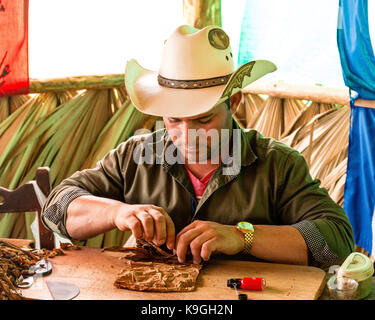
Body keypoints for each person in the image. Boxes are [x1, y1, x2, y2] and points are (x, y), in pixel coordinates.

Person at [42, 25, 354, 270]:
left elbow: (335, 242)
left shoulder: (277, 164)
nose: (186, 135)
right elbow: (56, 209)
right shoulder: (135, 157)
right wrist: (118, 212)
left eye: (203, 119)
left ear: (234, 102)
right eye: (174, 119)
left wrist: (241, 237)